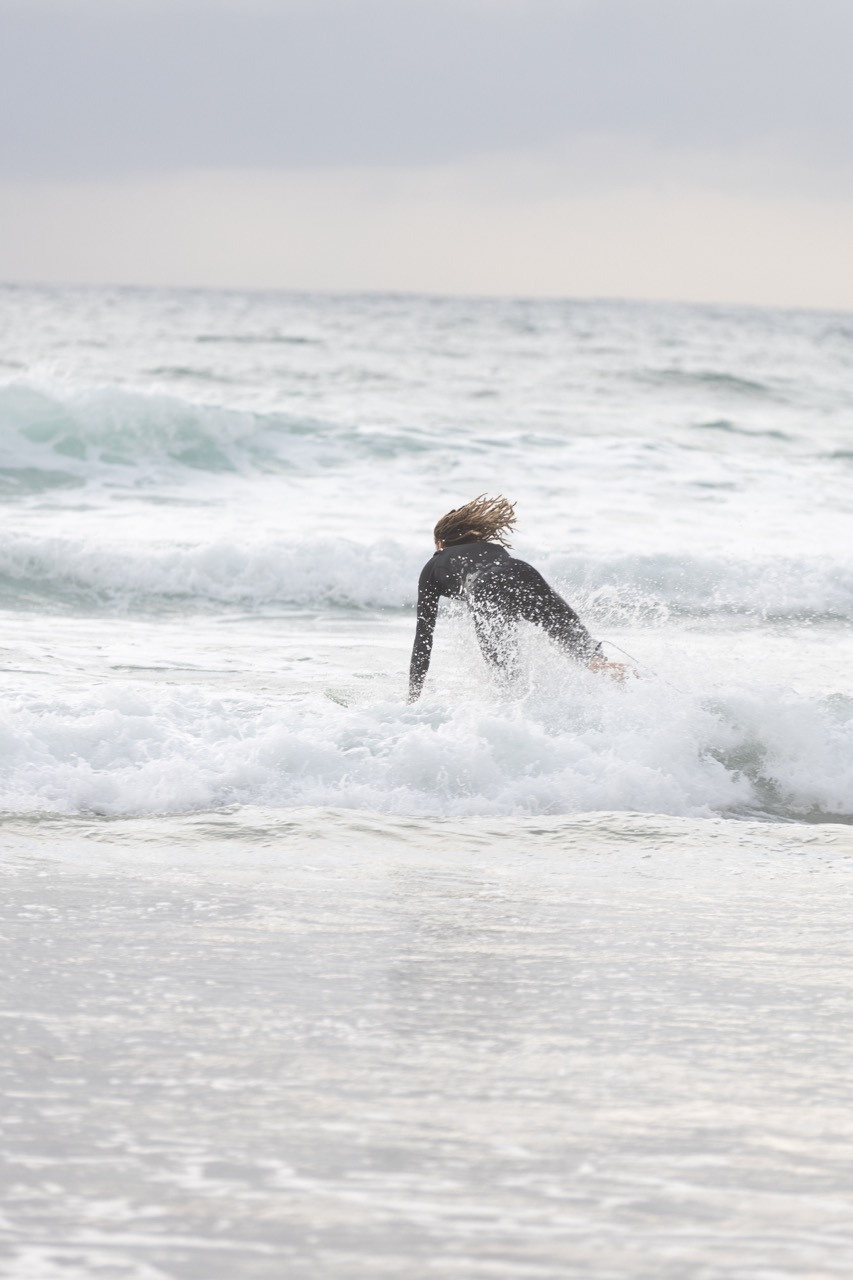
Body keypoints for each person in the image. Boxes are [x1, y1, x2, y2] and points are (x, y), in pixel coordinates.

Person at [408, 495, 626, 701]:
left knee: (506, 680)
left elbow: (423, 638)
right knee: (588, 657)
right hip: (523, 572)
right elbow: (507, 591)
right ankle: (638, 685)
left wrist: (413, 696)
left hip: (486, 587)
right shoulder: (489, 549)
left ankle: (517, 720)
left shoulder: (434, 564)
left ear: (440, 543)